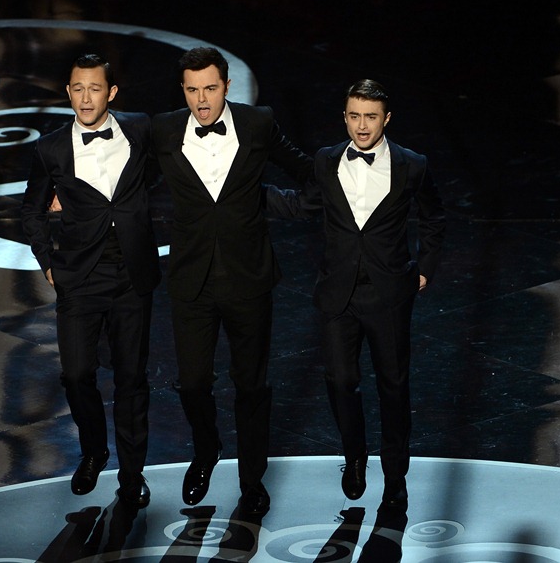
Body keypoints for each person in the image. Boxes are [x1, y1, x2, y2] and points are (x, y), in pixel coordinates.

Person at [265, 79, 446, 511]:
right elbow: (304, 204)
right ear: (344, 117)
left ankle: (396, 476)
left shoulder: (412, 165)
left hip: (389, 294)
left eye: (370, 117)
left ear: (387, 119)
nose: (361, 126)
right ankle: (355, 456)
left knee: (393, 386)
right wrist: (246, 193)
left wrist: (425, 268)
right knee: (340, 381)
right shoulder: (327, 160)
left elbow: (434, 215)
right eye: (354, 116)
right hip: (338, 294)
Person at [151, 46, 313, 516]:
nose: (202, 100)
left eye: (210, 88)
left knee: (251, 385)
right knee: (192, 382)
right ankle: (206, 451)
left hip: (248, 278)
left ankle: (252, 480)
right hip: (192, 279)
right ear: (183, 90)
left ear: (227, 85)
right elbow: (124, 179)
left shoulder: (257, 123)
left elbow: (305, 168)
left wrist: (284, 202)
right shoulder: (163, 129)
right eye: (192, 90)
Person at [21, 54, 160, 508]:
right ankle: (95, 450)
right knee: (77, 373)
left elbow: (158, 173)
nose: (85, 98)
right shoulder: (51, 148)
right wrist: (47, 263)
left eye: (95, 88)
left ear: (111, 93)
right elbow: (31, 210)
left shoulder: (140, 129)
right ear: (68, 92)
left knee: (131, 379)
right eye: (77, 89)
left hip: (131, 274)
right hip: (79, 276)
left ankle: (132, 475)